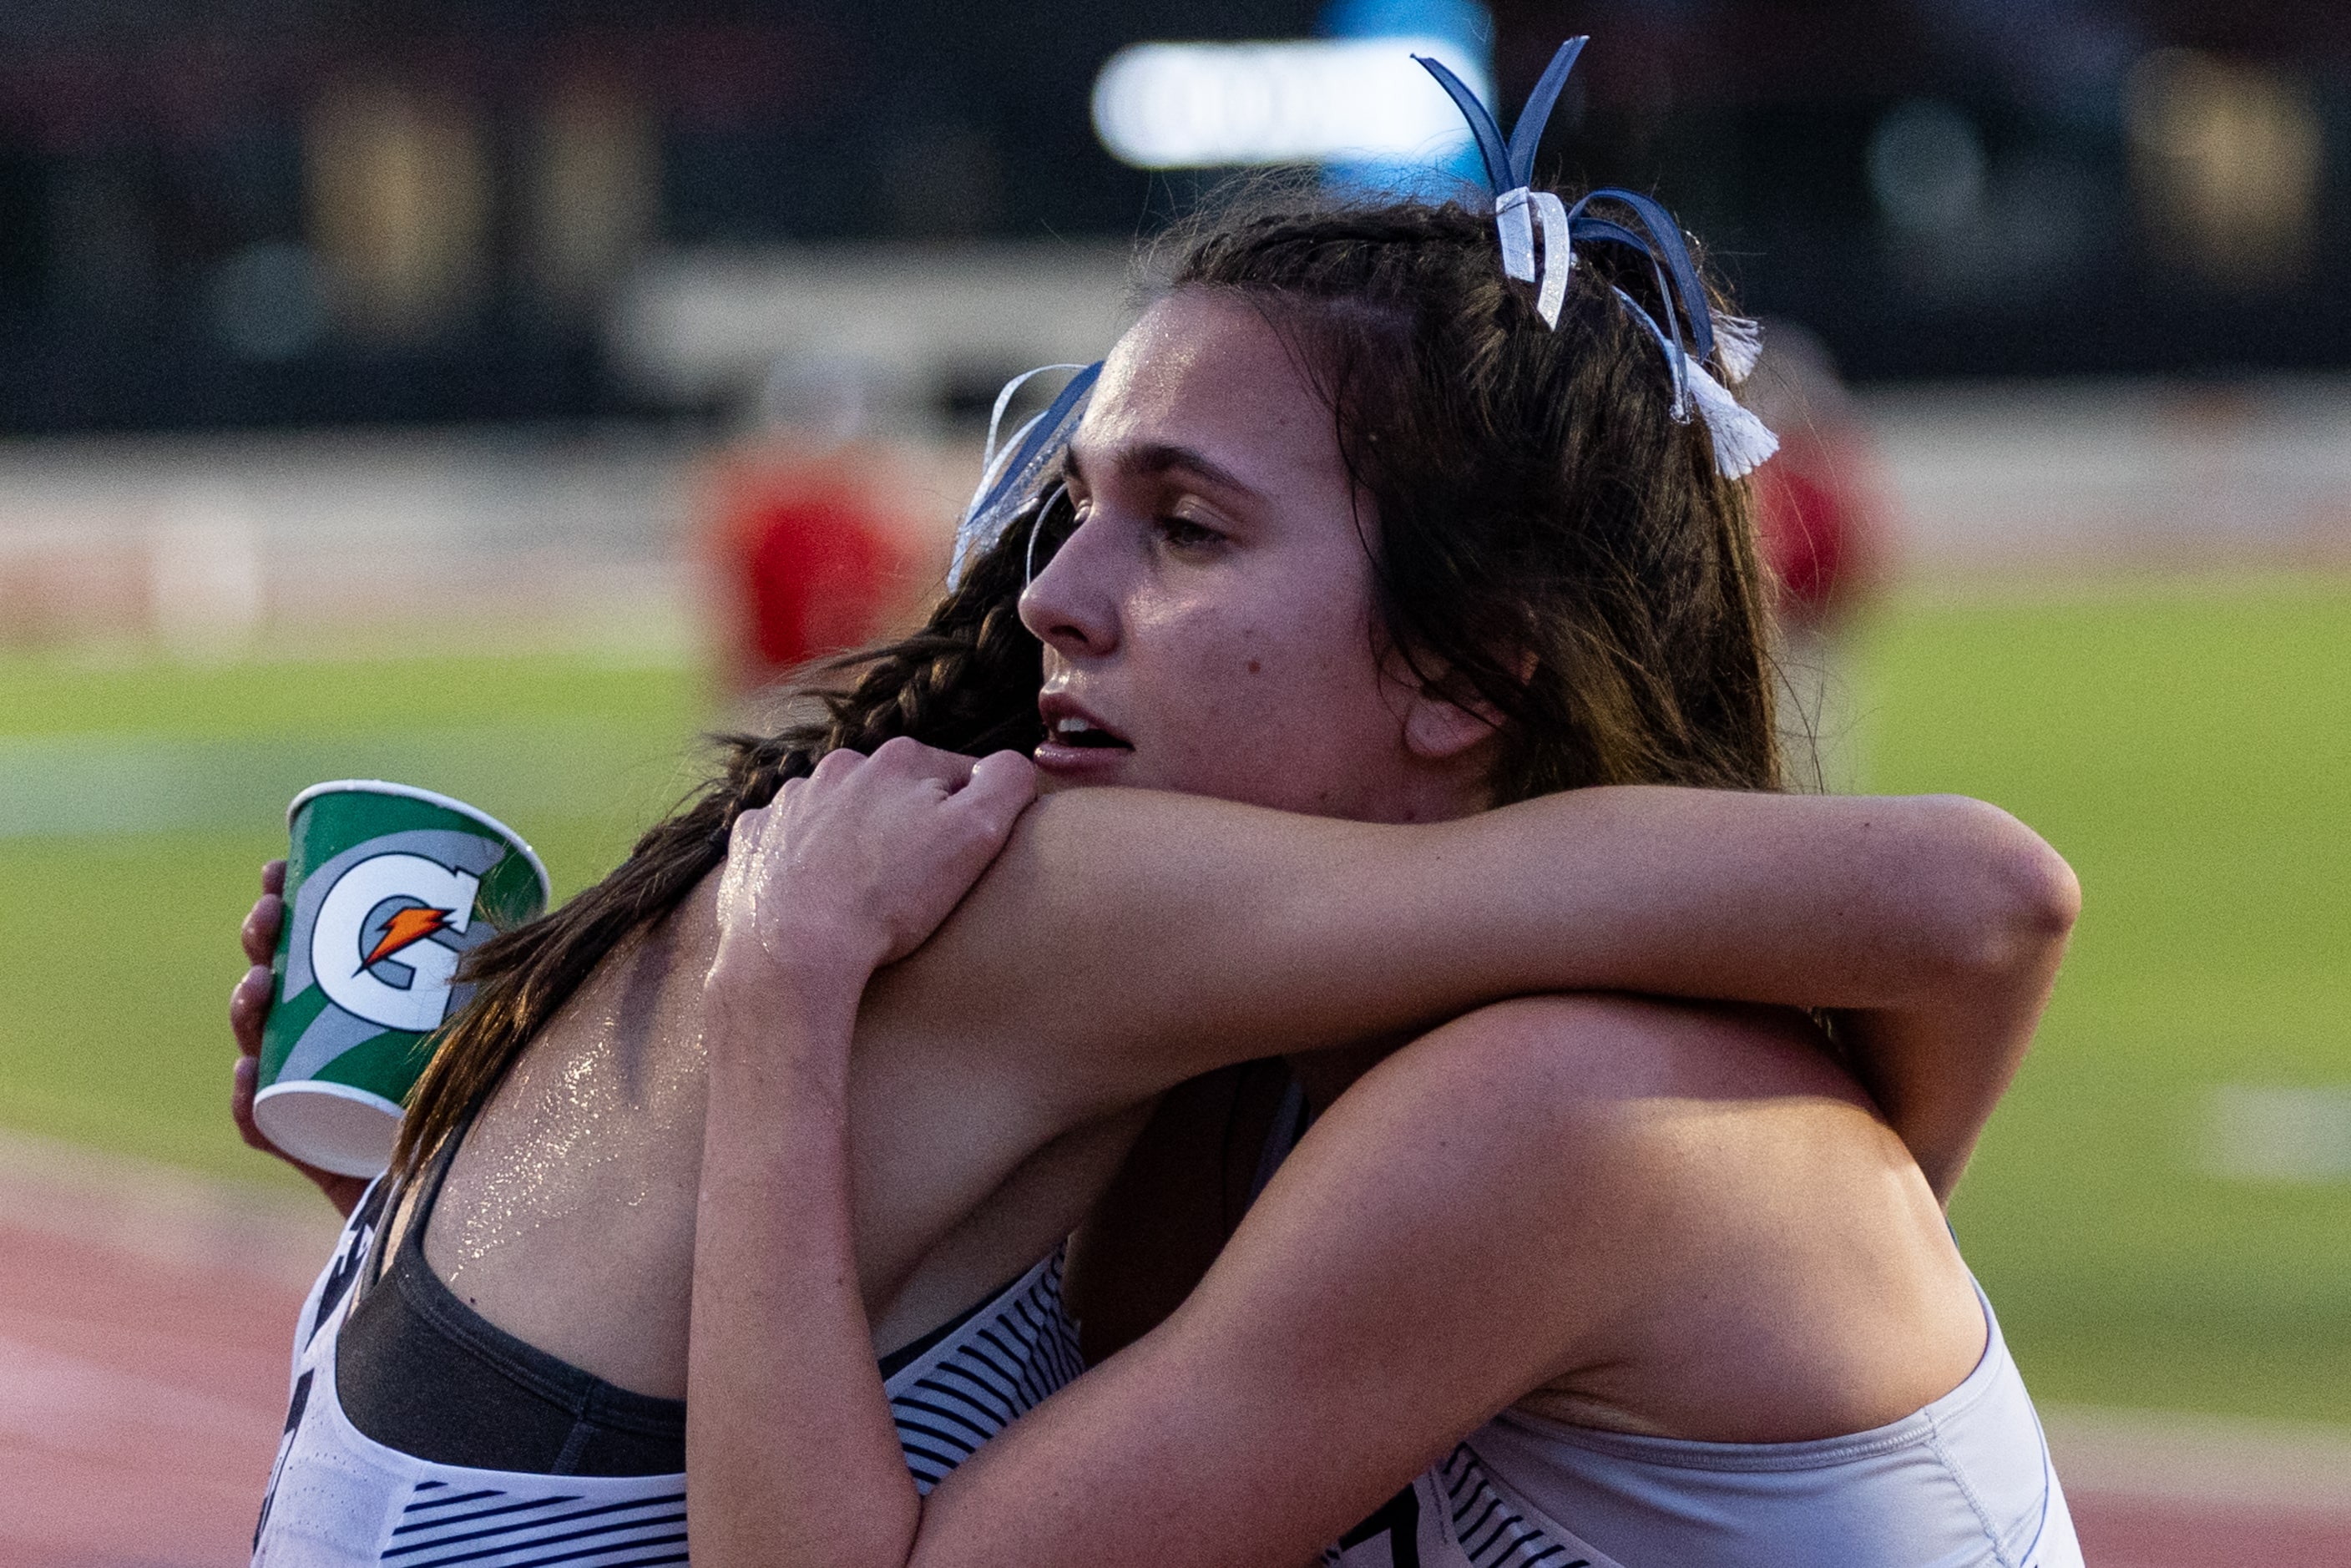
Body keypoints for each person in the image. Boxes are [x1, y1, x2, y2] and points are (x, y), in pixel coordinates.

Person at [232, 50, 2080, 1568]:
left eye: (1184, 528)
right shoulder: (1273, 1085)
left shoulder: (1556, 1111)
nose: (1052, 593)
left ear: (1470, 673)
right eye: (1075, 508)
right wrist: (464, 1238)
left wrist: (780, 1001)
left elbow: (1993, 895)